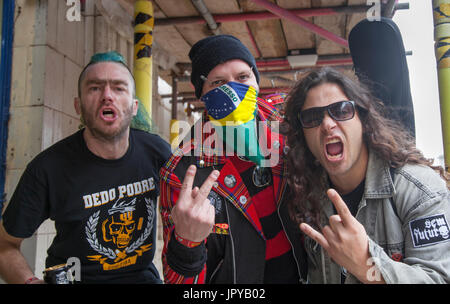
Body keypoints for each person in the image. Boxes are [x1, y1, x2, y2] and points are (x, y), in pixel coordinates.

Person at [0, 51, 171, 284]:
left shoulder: (157, 152)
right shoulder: (47, 168)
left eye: (118, 88)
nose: (107, 96)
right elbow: (5, 246)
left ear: (133, 106)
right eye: (94, 88)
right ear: (78, 106)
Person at [159, 34, 307, 284]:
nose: (233, 91)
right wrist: (187, 242)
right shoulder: (183, 170)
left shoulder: (289, 123)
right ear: (202, 95)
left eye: (242, 78)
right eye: (218, 82)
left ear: (256, 81)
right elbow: (178, 281)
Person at [283, 67, 450, 284]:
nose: (327, 124)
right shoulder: (308, 198)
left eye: (341, 110)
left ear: (363, 120)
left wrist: (366, 265)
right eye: (312, 117)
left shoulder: (419, 190)